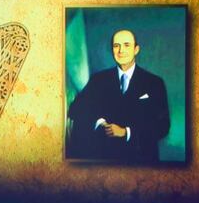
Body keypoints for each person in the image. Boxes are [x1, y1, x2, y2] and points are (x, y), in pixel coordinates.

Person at [67, 29, 170, 162]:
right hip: (105, 161)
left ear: (136, 49)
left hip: (141, 161)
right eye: (116, 46)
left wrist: (126, 132)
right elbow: (76, 109)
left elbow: (163, 126)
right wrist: (100, 123)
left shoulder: (154, 83)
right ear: (112, 50)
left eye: (127, 45)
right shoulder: (98, 80)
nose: (121, 50)